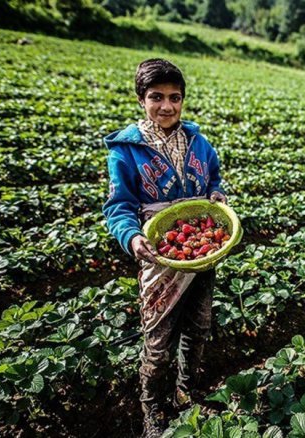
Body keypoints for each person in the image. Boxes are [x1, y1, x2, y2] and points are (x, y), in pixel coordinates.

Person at [102, 59, 226, 438]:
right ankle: (151, 406)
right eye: (157, 97)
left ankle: (187, 390)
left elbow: (214, 179)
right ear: (142, 99)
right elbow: (118, 206)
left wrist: (218, 196)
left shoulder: (198, 143)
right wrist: (132, 236)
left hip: (201, 254)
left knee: (199, 326)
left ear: (183, 100)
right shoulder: (127, 151)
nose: (167, 106)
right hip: (159, 256)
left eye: (175, 98)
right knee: (158, 339)